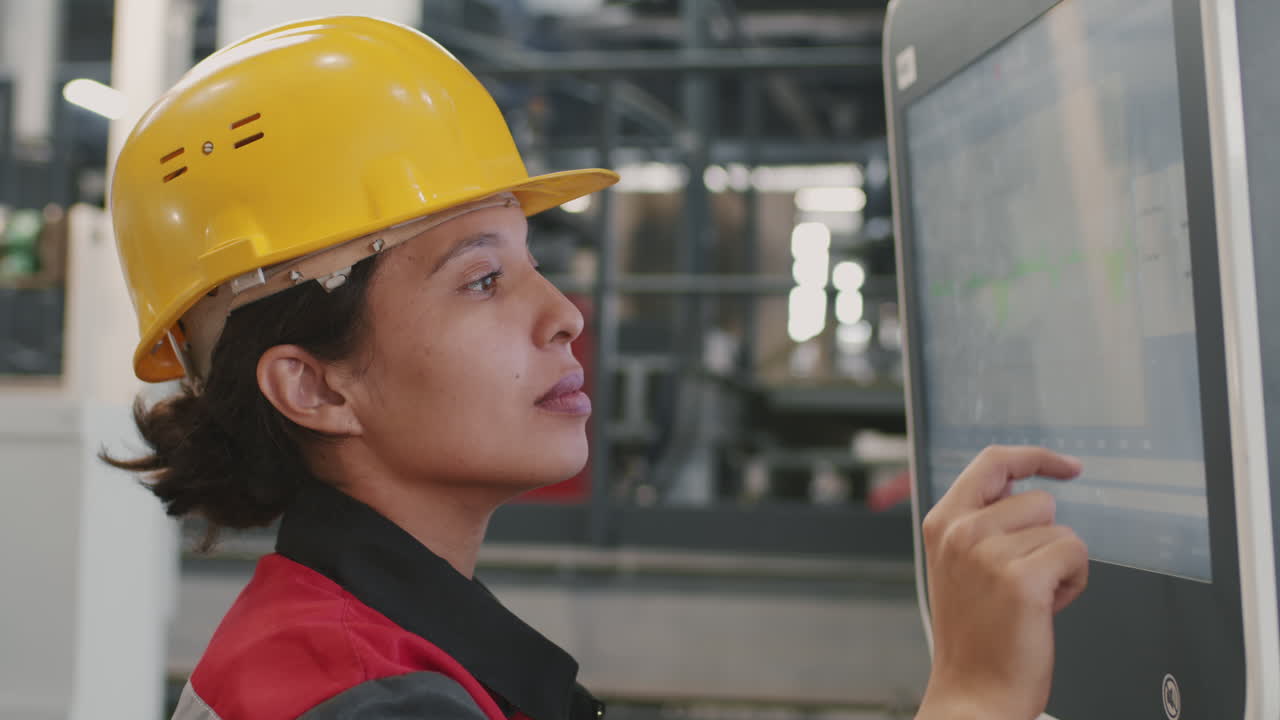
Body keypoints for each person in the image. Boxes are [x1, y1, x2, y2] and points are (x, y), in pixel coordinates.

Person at [105, 15, 1089, 720]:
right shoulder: (366, 700)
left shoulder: (354, 643)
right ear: (313, 385)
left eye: (541, 264)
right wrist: (972, 698)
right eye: (483, 280)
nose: (564, 315)